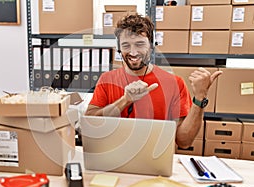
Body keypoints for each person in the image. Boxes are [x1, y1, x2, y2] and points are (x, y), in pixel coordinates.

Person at [85, 13, 222, 148]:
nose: (133, 52)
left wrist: (200, 97)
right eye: (126, 45)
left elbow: (184, 141)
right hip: (112, 160)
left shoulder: (174, 83)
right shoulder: (107, 79)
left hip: (154, 163)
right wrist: (125, 100)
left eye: (140, 44)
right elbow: (91, 124)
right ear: (119, 48)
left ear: (151, 46)